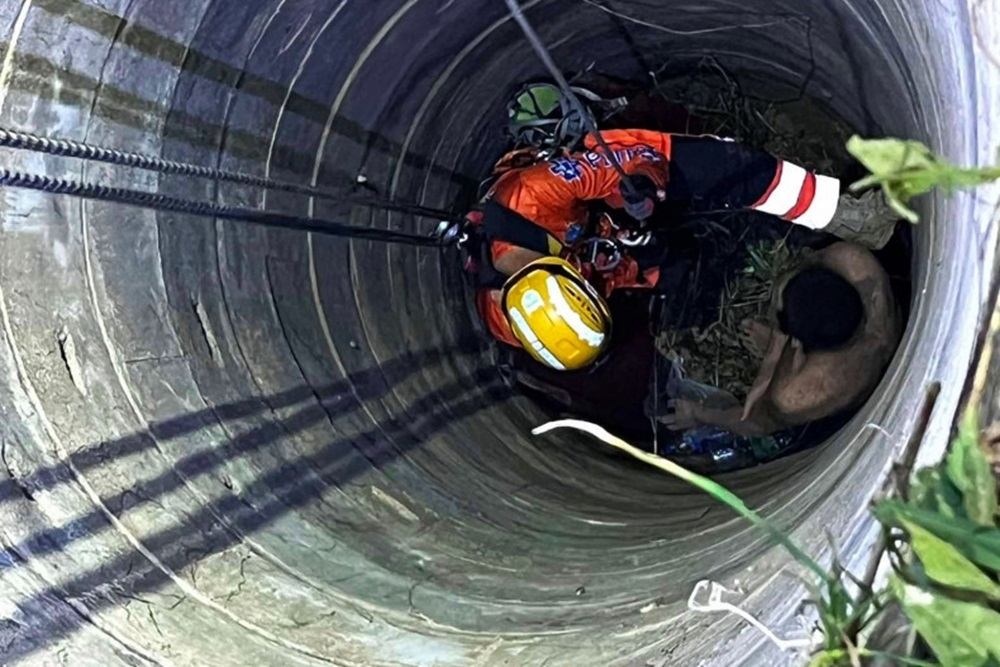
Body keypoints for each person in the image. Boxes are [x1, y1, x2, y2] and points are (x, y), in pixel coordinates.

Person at [470, 127, 842, 371]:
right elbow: (605, 284)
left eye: (584, 286)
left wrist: (643, 183)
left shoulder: (533, 195)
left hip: (589, 202)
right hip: (605, 250)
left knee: (721, 166)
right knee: (677, 269)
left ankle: (833, 210)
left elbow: (629, 160)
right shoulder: (526, 325)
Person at [661, 241, 902, 436]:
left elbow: (757, 423)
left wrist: (699, 414)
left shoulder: (802, 391)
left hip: (855, 390)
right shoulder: (855, 264)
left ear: (797, 344)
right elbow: (809, 257)